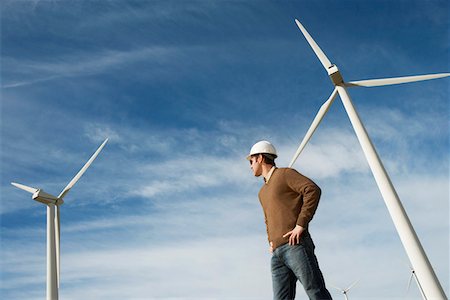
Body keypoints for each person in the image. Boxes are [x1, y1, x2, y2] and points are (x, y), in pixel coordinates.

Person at [247, 140, 332, 300]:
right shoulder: (262, 192)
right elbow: (268, 218)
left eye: (251, 161)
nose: (250, 166)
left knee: (315, 291)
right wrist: (270, 241)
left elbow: (312, 190)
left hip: (295, 245)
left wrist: (300, 225)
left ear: (259, 158)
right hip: (277, 253)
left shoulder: (285, 174)